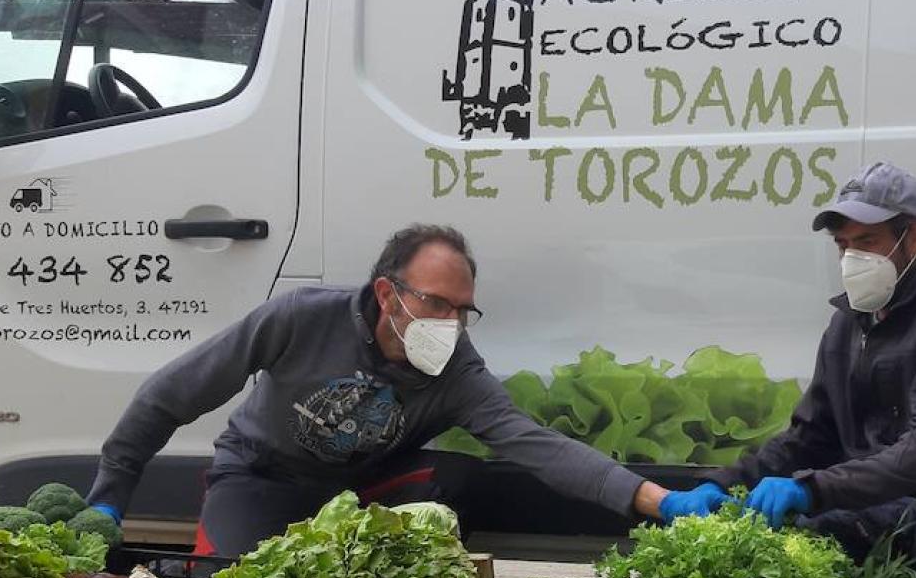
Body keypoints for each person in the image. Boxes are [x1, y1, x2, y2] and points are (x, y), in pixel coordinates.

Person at [85, 224, 698, 554]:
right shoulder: (300, 317)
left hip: (358, 489)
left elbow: (534, 444)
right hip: (260, 478)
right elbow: (173, 392)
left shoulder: (456, 369)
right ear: (388, 294)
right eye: (435, 303)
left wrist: (659, 500)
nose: (449, 323)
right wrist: (111, 495)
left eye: (462, 310)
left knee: (457, 479)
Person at [666, 162, 916, 569]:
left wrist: (813, 490)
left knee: (823, 529)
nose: (853, 257)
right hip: (891, 507)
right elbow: (809, 437)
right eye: (843, 244)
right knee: (799, 528)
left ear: (915, 236)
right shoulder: (847, 325)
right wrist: (724, 483)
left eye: (868, 240)